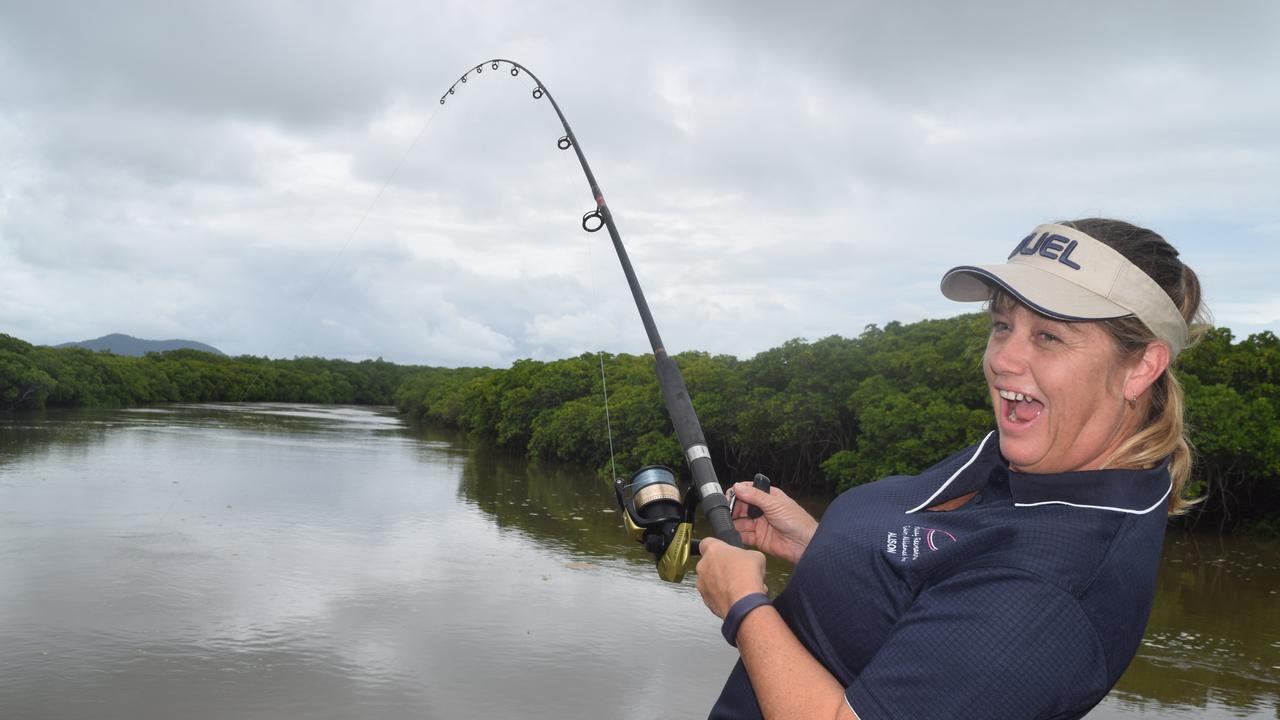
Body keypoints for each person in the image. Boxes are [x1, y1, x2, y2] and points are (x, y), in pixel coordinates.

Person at [695, 219, 1206, 720]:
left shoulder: (1049, 594)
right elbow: (931, 587)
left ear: (1141, 367)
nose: (1003, 357)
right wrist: (823, 549)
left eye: (1049, 336)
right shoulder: (1033, 454)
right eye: (1003, 324)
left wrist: (743, 605)